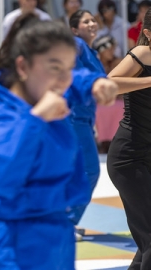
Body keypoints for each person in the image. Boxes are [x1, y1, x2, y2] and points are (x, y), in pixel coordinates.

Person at [0, 12, 101, 269]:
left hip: (57, 239)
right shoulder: (5, 114)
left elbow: (75, 78)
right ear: (23, 67)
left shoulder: (47, 91)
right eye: (55, 68)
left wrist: (96, 82)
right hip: (16, 248)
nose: (65, 79)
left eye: (69, 69)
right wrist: (37, 119)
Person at [66, 9, 118, 239]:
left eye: (93, 20)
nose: (92, 24)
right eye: (86, 21)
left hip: (83, 119)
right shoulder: (77, 44)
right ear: (75, 29)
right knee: (90, 170)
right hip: (75, 118)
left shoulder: (90, 51)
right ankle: (67, 222)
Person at [107, 6, 151, 269]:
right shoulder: (143, 53)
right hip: (129, 157)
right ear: (148, 32)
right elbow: (108, 83)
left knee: (145, 242)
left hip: (147, 156)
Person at [92, 35, 124, 153]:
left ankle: (116, 141)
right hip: (97, 100)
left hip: (117, 99)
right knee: (98, 109)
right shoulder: (93, 64)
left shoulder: (118, 63)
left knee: (121, 107)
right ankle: (102, 142)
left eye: (113, 49)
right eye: (109, 49)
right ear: (102, 50)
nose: (112, 52)